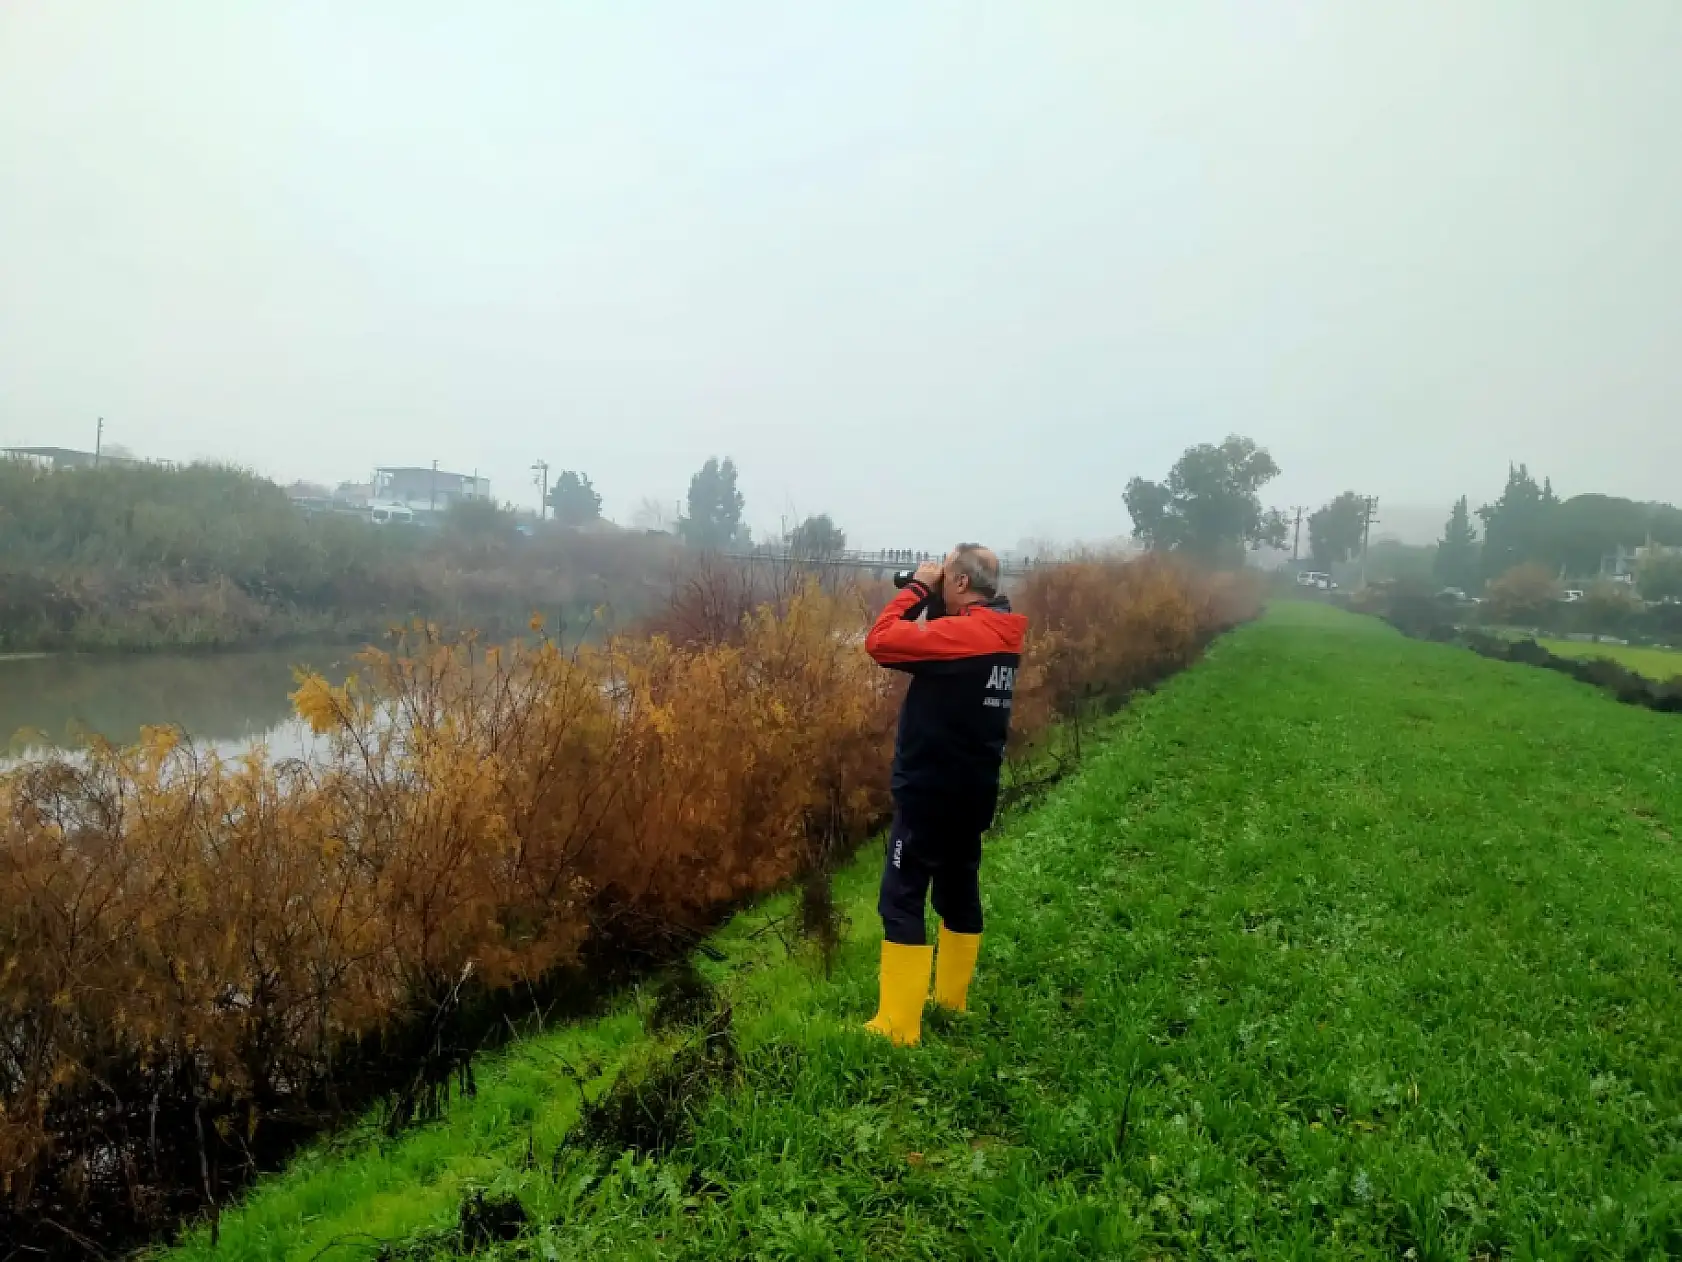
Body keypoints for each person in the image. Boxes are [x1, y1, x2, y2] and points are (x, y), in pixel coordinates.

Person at [861, 543, 1027, 1045]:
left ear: (959, 584)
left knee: (901, 899)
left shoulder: (962, 636)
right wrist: (937, 600)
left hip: (930, 789)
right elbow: (943, 669)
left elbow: (880, 642)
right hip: (973, 789)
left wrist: (915, 589)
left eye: (945, 579)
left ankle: (897, 1026)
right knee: (957, 892)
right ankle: (951, 1003)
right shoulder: (1002, 636)